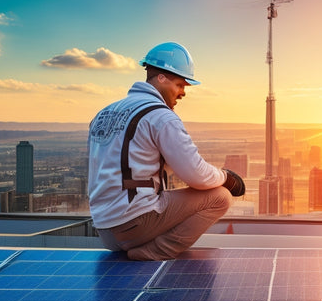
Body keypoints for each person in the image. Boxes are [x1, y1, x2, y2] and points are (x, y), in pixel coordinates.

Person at [87, 41, 245, 261]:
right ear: (161, 78)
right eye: (180, 84)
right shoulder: (160, 116)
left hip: (104, 230)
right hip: (134, 225)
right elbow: (196, 175)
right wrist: (226, 177)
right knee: (220, 197)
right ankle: (155, 251)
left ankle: (142, 244)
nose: (182, 93)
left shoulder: (104, 113)